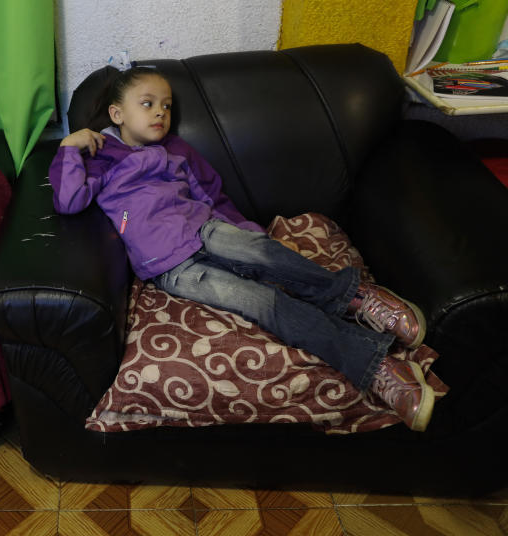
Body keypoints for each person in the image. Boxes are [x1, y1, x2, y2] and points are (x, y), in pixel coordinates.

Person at [49, 66, 434, 431]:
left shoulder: (176, 149)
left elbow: (210, 193)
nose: (160, 113)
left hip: (206, 229)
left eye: (167, 106)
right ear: (117, 113)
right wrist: (69, 145)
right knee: (264, 304)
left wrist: (248, 234)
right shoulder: (99, 157)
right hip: (170, 266)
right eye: (147, 103)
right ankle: (375, 364)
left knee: (265, 255)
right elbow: (68, 201)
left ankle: (355, 297)